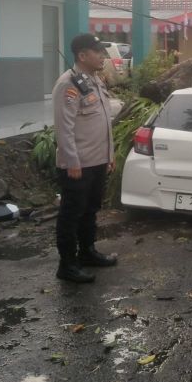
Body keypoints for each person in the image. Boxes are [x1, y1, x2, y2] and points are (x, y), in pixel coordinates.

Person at [52, 33, 118, 283]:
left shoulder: (92, 80)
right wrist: (72, 162)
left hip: (97, 161)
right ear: (82, 55)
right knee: (72, 214)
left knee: (90, 210)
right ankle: (67, 265)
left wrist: (108, 156)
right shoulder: (67, 84)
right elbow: (64, 127)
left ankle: (87, 252)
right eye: (98, 51)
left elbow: (103, 122)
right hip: (78, 165)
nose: (103, 56)